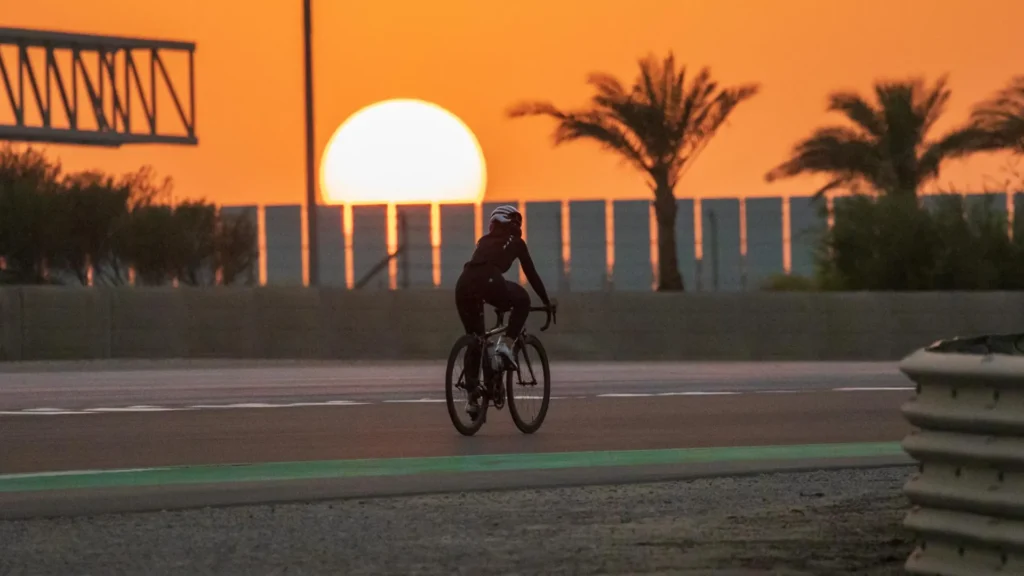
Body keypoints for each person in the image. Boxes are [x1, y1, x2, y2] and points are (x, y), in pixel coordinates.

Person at [455, 204, 552, 416]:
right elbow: (532, 275)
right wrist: (546, 302)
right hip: (489, 280)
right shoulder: (516, 242)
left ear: (495, 223)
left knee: (476, 337)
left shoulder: (483, 241)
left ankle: (472, 399)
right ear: (514, 224)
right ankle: (506, 346)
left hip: (463, 284)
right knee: (523, 300)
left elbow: (479, 271)